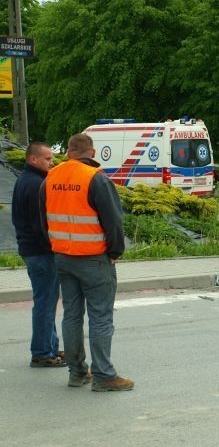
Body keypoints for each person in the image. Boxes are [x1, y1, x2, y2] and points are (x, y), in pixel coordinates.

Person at [41, 133, 133, 392]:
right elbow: (114, 220)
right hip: (94, 258)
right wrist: (115, 251)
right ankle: (104, 376)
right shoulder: (96, 179)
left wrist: (55, 246)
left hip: (63, 257)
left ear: (69, 152)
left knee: (71, 315)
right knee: (101, 317)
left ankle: (77, 372)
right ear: (92, 153)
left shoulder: (51, 177)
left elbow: (43, 218)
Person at [11, 142, 65, 368]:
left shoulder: (26, 180)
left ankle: (49, 346)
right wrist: (52, 247)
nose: (51, 162)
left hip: (32, 250)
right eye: (47, 158)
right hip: (41, 252)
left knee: (47, 300)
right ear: (33, 159)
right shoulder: (36, 185)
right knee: (45, 302)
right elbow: (40, 224)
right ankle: (43, 352)